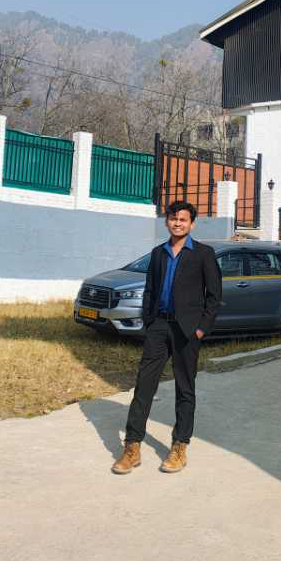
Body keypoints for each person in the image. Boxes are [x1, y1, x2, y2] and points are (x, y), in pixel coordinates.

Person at [112, 200, 222, 475]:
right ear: (167, 222)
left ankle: (179, 446)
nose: (177, 223)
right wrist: (149, 322)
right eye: (173, 219)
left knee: (185, 389)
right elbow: (150, 290)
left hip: (187, 330)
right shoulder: (158, 253)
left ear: (191, 224)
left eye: (183, 220)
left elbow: (214, 296)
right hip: (159, 327)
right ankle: (132, 447)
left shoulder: (204, 254)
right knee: (143, 386)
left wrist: (201, 329)